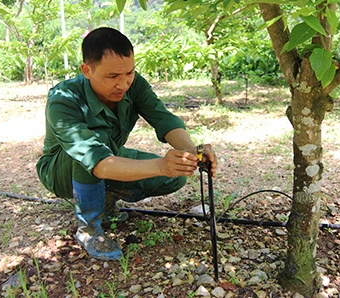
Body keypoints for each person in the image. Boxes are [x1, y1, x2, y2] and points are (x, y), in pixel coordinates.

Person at [36, 27, 217, 261]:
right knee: (92, 151)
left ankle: (106, 200)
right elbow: (95, 159)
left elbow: (163, 119)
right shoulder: (63, 100)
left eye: (129, 73)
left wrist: (192, 151)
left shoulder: (134, 84)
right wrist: (161, 165)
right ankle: (88, 228)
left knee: (174, 176)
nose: (123, 84)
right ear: (87, 70)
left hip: (109, 155)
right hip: (61, 171)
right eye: (112, 77)